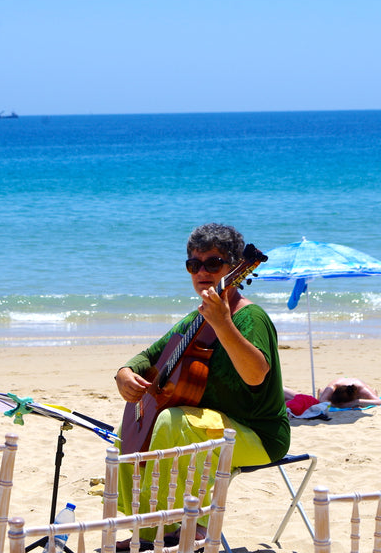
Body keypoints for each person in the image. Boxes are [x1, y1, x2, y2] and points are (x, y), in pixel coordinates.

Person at [115, 223, 290, 547]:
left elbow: (255, 374)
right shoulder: (192, 321)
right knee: (130, 429)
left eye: (213, 263)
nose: (201, 272)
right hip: (209, 428)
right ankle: (143, 529)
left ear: (235, 266)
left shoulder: (250, 318)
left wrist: (223, 324)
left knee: (172, 422)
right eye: (194, 265)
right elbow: (149, 355)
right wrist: (125, 373)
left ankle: (184, 526)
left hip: (258, 434)